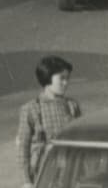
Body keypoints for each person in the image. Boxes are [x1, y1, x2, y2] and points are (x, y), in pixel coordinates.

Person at [17, 54, 81, 188]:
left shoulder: (72, 106)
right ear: (47, 78)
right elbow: (23, 149)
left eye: (67, 78)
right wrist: (27, 181)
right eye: (61, 78)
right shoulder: (31, 109)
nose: (66, 83)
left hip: (70, 173)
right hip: (43, 173)